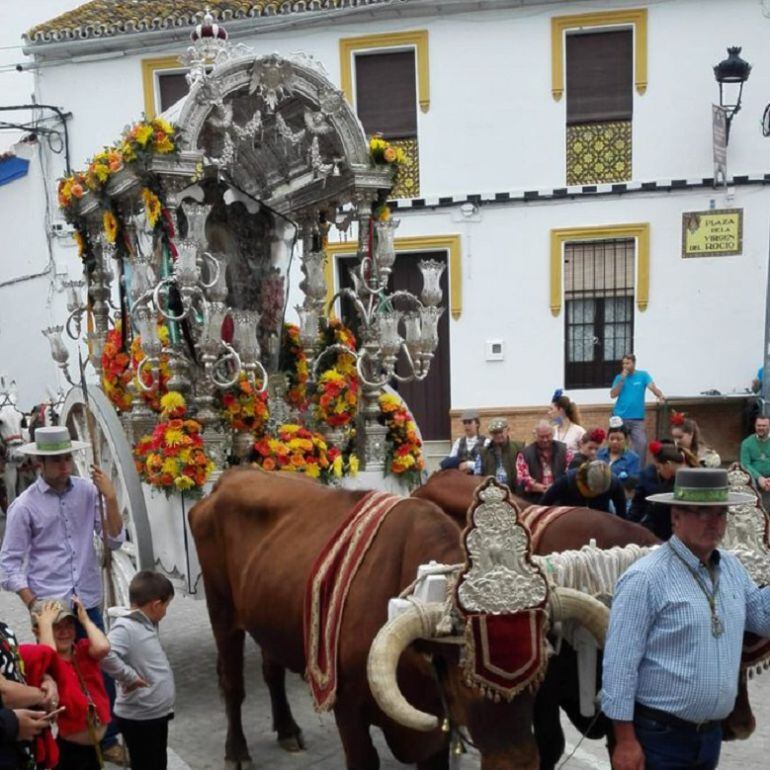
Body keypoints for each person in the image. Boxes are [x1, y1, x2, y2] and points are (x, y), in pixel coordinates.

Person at [602, 467, 763, 770]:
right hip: (659, 736)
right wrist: (625, 741)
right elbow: (619, 666)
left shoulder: (731, 567)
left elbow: (762, 617)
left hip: (710, 735)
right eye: (702, 513)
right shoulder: (645, 578)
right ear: (676, 516)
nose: (715, 522)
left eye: (721, 513)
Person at [0, 426, 126, 765]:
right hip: (50, 609)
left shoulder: (88, 492)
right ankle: (63, 744)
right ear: (40, 462)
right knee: (55, 678)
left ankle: (107, 735)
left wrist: (111, 498)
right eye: (56, 460)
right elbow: (9, 566)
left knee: (97, 669)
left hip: (87, 601)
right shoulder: (24, 507)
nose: (64, 465)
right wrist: (34, 604)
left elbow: (114, 540)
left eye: (67, 458)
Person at [101, 571, 175, 770]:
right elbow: (105, 654)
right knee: (148, 764)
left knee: (157, 762)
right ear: (156, 605)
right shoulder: (126, 627)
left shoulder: (144, 624)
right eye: (166, 606)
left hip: (154, 714)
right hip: (141, 718)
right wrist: (130, 677)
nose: (166, 612)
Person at [33, 598, 111, 770]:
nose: (64, 632)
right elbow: (49, 657)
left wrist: (85, 620)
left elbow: (103, 647)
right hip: (71, 753)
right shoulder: (44, 668)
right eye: (56, 627)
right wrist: (44, 624)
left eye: (69, 625)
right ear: (39, 632)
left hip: (96, 747)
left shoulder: (83, 649)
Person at [0, 620, 59, 770]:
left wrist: (46, 679)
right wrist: (44, 696)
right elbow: (5, 692)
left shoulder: (3, 628)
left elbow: (15, 666)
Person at [628, 441, 690, 540]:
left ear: (668, 464)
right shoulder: (671, 481)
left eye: (659, 468)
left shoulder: (684, 482)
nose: (658, 471)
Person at [609, 354, 665, 463]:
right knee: (618, 445)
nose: (625, 366)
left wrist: (660, 395)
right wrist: (622, 379)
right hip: (620, 418)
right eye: (623, 363)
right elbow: (613, 395)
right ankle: (618, 467)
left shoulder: (643, 375)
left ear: (634, 363)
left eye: (627, 363)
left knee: (641, 444)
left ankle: (638, 472)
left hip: (637, 419)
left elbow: (652, 387)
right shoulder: (619, 378)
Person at [540, 460, 627, 514]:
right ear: (584, 480)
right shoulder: (566, 481)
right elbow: (542, 505)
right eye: (594, 491)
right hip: (569, 521)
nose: (596, 495)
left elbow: (621, 512)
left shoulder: (614, 483)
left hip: (599, 522)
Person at [515, 420, 570, 503]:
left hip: (560, 498)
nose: (545, 440)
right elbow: (521, 476)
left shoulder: (564, 449)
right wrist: (536, 486)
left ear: (553, 434)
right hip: (534, 499)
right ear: (535, 435)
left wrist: (556, 486)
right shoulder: (525, 453)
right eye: (542, 436)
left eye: (548, 436)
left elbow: (569, 470)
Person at [474, 418, 522, 488]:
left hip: (515, 494)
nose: (498, 435)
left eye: (501, 432)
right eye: (495, 433)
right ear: (491, 434)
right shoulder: (482, 453)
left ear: (507, 430)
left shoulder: (519, 449)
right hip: (491, 495)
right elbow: (477, 478)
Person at [740, 414, 770, 510]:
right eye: (758, 425)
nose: (761, 428)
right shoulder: (746, 443)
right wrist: (759, 478)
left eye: (764, 426)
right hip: (755, 478)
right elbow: (745, 464)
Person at [597, 419, 641, 485]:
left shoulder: (633, 458)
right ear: (607, 439)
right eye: (611, 439)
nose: (614, 442)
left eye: (619, 439)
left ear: (626, 440)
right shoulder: (599, 454)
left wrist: (627, 479)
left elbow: (634, 482)